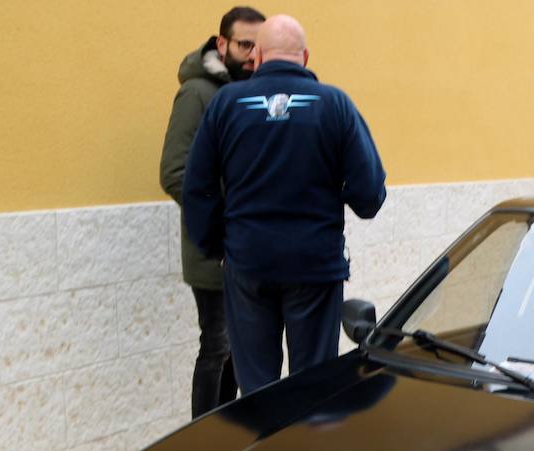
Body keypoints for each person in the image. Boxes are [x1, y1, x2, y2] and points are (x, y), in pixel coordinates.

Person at [183, 14, 387, 394]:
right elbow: (370, 193)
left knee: (257, 391)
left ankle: (265, 450)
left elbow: (198, 188)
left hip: (248, 264)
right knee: (312, 389)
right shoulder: (336, 105)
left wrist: (218, 246)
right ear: (305, 57)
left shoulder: (226, 104)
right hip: (315, 266)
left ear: (257, 56)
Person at [160, 6, 265, 417]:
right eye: (243, 44)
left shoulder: (251, 91)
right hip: (212, 245)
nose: (252, 54)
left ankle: (224, 432)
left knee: (238, 347)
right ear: (221, 44)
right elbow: (174, 172)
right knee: (217, 343)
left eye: (258, 46)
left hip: (245, 246)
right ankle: (198, 440)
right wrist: (223, 224)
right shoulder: (196, 93)